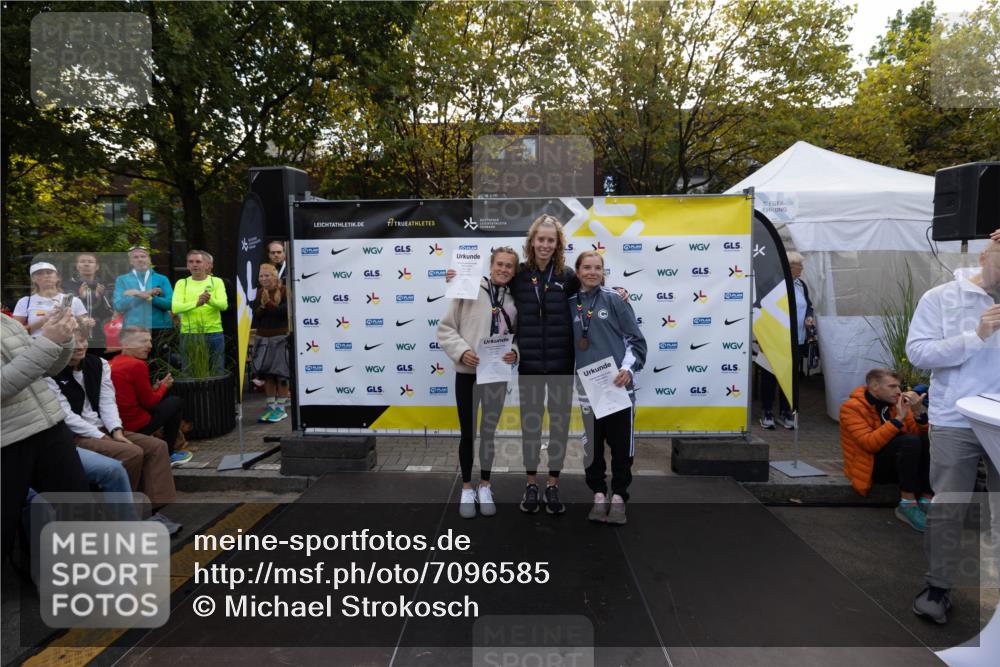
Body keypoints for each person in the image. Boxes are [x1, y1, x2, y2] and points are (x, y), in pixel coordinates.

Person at [908, 231, 1000, 624]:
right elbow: (918, 352)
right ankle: (938, 587)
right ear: (984, 255)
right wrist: (975, 336)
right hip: (956, 419)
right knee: (950, 505)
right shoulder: (942, 297)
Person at [46, 322, 180, 533]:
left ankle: (152, 511)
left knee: (157, 447)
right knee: (132, 453)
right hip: (75, 435)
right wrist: (101, 437)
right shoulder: (51, 372)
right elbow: (66, 417)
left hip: (104, 427)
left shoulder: (99, 364)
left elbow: (107, 402)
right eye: (72, 342)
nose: (80, 346)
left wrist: (116, 430)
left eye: (82, 340)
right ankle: (125, 515)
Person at [437, 247, 519, 519]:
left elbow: (518, 335)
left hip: (495, 375)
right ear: (491, 265)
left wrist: (515, 352)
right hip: (468, 374)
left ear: (514, 271)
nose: (504, 269)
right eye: (500, 264)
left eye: (509, 266)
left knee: (488, 433)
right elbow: (446, 328)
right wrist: (461, 351)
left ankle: (485, 485)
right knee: (468, 432)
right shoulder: (468, 288)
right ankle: (466, 487)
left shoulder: (515, 298)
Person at [1, 310, 90, 558]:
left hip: (49, 427)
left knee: (78, 511)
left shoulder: (5, 319)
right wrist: (48, 342)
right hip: (8, 441)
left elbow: (46, 368)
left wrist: (64, 338)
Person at [569, 250, 647, 525]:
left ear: (603, 272)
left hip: (618, 389)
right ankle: (599, 494)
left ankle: (619, 497)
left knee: (621, 445)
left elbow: (636, 341)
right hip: (588, 389)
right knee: (592, 447)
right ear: (577, 272)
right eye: (587, 267)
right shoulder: (570, 303)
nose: (592, 272)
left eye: (597, 268)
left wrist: (627, 369)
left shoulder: (615, 299)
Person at [839, 368, 931, 531]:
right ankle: (907, 504)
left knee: (928, 439)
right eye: (892, 386)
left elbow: (919, 438)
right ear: (875, 386)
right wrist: (897, 420)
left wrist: (917, 413)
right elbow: (869, 444)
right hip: (869, 466)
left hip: (899, 462)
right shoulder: (851, 408)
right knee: (908, 442)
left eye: (899, 386)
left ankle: (926, 499)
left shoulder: (896, 404)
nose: (898, 391)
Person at [110, 326, 192, 466]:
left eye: (149, 341)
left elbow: (129, 395)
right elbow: (150, 403)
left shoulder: (112, 362)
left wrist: (155, 388)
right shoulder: (137, 365)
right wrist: (163, 387)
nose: (149, 346)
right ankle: (169, 453)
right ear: (126, 344)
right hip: (136, 425)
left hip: (116, 425)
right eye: (143, 341)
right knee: (175, 401)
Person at [758, 250, 814, 430]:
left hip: (797, 339)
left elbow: (808, 306)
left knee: (790, 377)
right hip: (775, 339)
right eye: (800, 265)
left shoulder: (801, 285)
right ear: (789, 267)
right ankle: (767, 411)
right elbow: (762, 310)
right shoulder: (773, 284)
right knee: (770, 376)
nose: (802, 268)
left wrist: (808, 316)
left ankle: (785, 410)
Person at [113, 246, 174, 364]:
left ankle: (160, 384)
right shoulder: (122, 280)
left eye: (143, 256)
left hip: (159, 327)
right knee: (135, 363)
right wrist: (145, 294)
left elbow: (170, 304)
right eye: (135, 257)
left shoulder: (162, 279)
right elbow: (119, 306)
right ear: (130, 261)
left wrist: (142, 295)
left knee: (160, 364)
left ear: (149, 259)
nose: (140, 259)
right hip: (133, 329)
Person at [172, 249, 228, 376]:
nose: (194, 264)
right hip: (190, 333)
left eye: (198, 261)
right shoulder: (182, 283)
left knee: (217, 370)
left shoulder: (217, 281)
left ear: (207, 265)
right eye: (191, 262)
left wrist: (209, 300)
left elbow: (223, 305)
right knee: (190, 370)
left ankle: (214, 396)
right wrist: (196, 303)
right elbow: (175, 308)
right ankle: (194, 397)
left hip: (214, 332)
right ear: (187, 265)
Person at [251, 262, 290, 423]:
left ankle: (281, 408)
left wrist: (268, 303)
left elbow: (283, 313)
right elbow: (256, 316)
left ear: (275, 276)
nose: (264, 278)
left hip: (280, 338)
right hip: (262, 338)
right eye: (261, 275)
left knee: (281, 374)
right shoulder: (259, 292)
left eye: (267, 275)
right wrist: (262, 304)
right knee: (267, 374)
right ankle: (271, 406)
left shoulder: (285, 290)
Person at [13, 261, 89, 337]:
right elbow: (14, 332)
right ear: (33, 279)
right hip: (36, 346)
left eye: (49, 272)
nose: (45, 276)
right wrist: (44, 320)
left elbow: (85, 333)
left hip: (67, 346)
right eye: (39, 273)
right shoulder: (25, 302)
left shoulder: (73, 300)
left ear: (57, 277)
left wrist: (82, 323)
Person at [63, 252, 114, 351]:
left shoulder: (105, 285)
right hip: (74, 337)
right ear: (77, 266)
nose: (86, 264)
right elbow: (64, 311)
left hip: (100, 338)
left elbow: (111, 314)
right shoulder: (67, 285)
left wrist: (101, 297)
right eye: (82, 262)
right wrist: (80, 298)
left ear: (97, 266)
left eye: (90, 262)